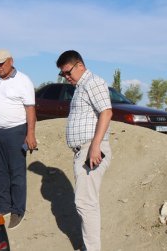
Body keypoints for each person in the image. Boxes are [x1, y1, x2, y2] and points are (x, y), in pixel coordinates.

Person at [56, 50, 112, 251]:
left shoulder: (93, 82)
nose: (67, 77)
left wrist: (95, 146)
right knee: (88, 202)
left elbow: (106, 112)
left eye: (68, 72)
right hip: (84, 150)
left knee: (84, 203)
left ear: (79, 65)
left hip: (91, 148)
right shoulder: (81, 87)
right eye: (63, 75)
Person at [0, 49, 37, 229]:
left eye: (1, 63)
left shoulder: (23, 80)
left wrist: (30, 134)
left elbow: (30, 109)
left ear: (11, 61)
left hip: (16, 132)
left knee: (16, 172)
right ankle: (4, 206)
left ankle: (18, 210)